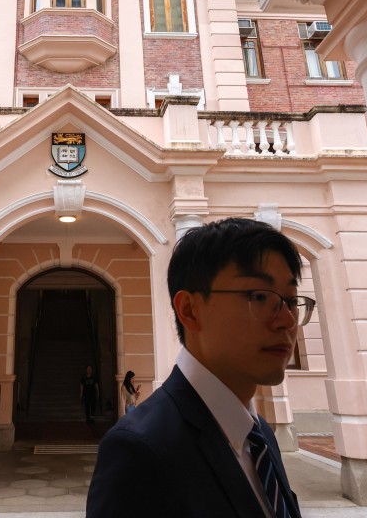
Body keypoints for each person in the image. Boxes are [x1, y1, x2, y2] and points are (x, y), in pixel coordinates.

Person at [87, 217, 315, 518]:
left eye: (290, 300)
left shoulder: (260, 436)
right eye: (260, 297)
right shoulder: (139, 450)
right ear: (190, 311)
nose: (287, 320)